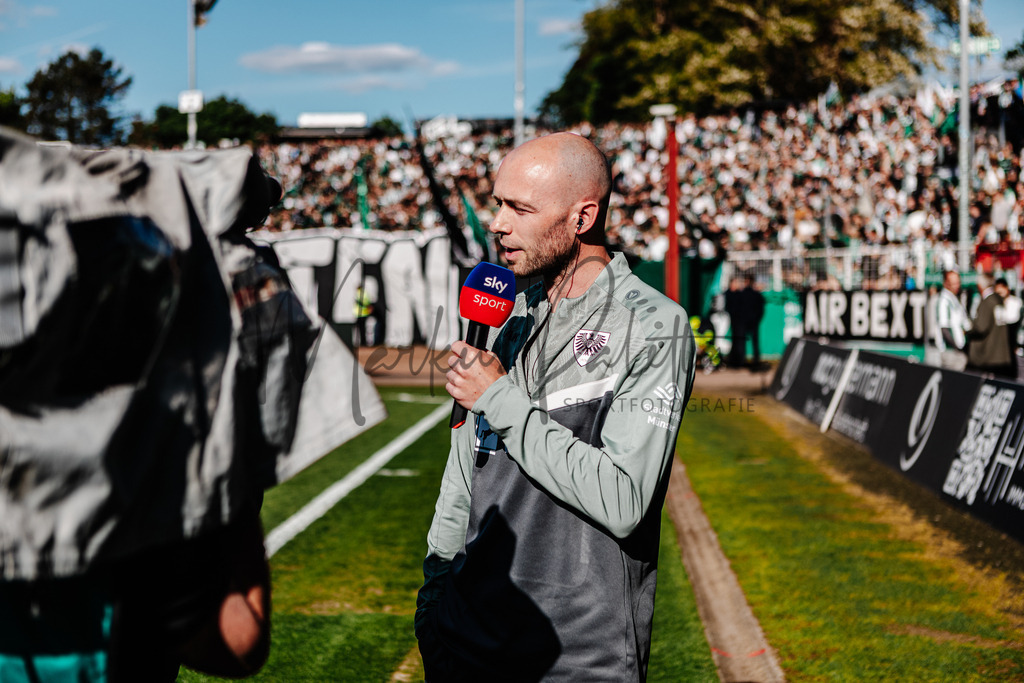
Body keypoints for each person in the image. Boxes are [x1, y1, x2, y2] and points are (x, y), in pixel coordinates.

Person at [415, 132, 696, 681]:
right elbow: (465, 472)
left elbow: (623, 500)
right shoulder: (507, 316)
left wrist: (499, 398)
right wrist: (435, 595)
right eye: (498, 203)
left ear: (582, 216)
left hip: (580, 655)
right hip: (466, 642)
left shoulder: (654, 326)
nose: (497, 223)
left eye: (519, 207)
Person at [966, 275, 1015, 377]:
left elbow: (981, 327)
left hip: (989, 353)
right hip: (1000, 352)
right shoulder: (998, 300)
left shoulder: (988, 301)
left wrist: (968, 331)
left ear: (980, 285)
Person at [925, 270, 971, 370]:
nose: (957, 286)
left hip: (957, 350)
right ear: (946, 283)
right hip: (951, 352)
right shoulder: (944, 301)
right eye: (953, 283)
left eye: (958, 282)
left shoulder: (954, 298)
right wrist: (956, 347)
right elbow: (944, 328)